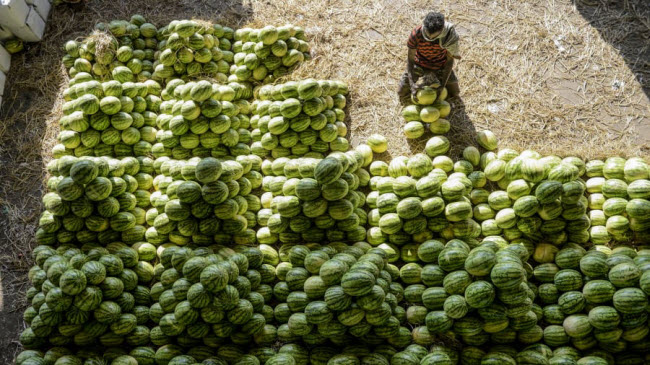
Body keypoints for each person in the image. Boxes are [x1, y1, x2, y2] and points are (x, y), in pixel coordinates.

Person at [398, 12, 461, 104]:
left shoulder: (449, 36)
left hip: (440, 65)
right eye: (427, 35)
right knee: (401, 92)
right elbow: (410, 60)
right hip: (420, 63)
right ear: (424, 26)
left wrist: (443, 85)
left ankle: (438, 81)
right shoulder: (416, 34)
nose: (430, 38)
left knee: (455, 93)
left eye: (434, 36)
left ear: (442, 30)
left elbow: (449, 62)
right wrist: (412, 84)